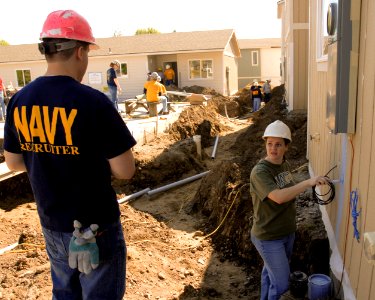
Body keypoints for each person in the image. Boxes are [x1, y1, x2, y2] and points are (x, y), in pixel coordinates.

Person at [3, 10, 136, 300]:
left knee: (65, 293)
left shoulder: (19, 100)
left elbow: (13, 162)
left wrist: (49, 156)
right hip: (95, 229)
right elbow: (125, 170)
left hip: (53, 224)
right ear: (79, 51)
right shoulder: (94, 102)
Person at [250, 120, 329, 300]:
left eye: (278, 144)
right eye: (269, 144)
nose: (273, 149)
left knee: (269, 275)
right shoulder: (260, 172)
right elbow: (279, 197)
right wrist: (308, 182)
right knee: (281, 285)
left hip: (286, 233)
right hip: (268, 237)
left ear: (286, 146)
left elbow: (289, 190)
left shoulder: (283, 165)